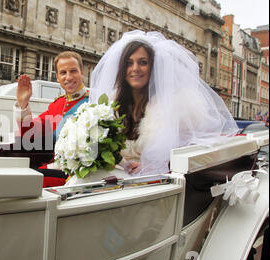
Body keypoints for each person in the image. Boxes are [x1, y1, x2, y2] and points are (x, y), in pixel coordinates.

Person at [89, 30, 238, 176]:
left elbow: (194, 154)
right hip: (116, 183)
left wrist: (151, 167)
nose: (135, 69)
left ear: (153, 67)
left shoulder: (179, 105)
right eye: (129, 63)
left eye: (143, 62)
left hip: (159, 185)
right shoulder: (111, 104)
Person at [15, 51, 89, 186]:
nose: (68, 77)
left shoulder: (93, 101)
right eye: (63, 73)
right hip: (55, 167)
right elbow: (29, 134)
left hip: (79, 174)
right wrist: (23, 104)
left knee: (22, 182)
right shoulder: (57, 105)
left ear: (82, 72)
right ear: (57, 77)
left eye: (73, 71)